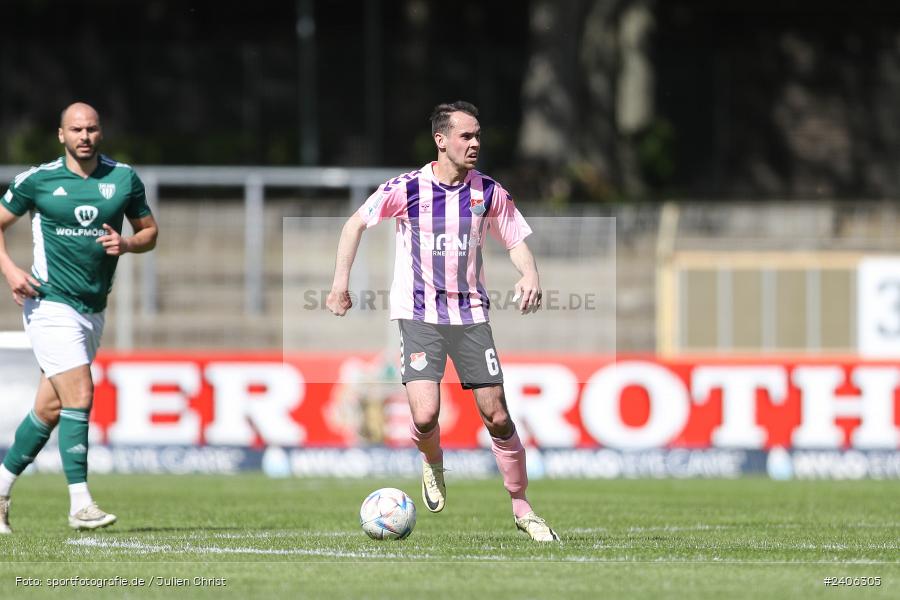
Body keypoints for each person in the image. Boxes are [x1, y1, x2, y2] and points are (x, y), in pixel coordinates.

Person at [326, 101, 558, 541]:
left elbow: (516, 239)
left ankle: (523, 506)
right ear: (441, 140)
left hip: (470, 317)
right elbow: (354, 225)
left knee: (498, 416)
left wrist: (530, 273)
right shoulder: (407, 188)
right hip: (419, 317)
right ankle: (433, 464)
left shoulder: (488, 192)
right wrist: (340, 283)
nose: (475, 144)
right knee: (426, 413)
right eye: (466, 136)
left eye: (477, 136)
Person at [0, 102, 158, 532]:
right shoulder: (39, 180)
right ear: (61, 134)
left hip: (93, 308)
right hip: (49, 302)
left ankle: (0, 488)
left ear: (100, 132)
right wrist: (12, 271)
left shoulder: (122, 178)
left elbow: (149, 232)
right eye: (76, 129)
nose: (84, 136)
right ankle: (79, 503)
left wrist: (127, 245)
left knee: (50, 408)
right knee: (81, 394)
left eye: (91, 129)